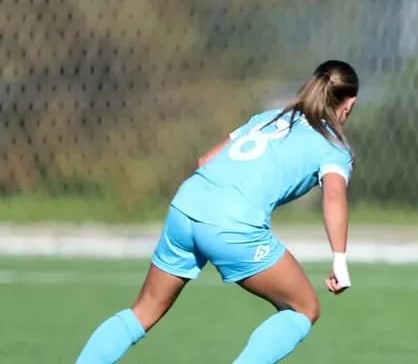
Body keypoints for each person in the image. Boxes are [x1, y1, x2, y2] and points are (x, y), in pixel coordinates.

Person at [75, 60, 360, 364]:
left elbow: (205, 160)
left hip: (187, 206)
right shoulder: (334, 148)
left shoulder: (269, 118)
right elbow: (333, 196)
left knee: (144, 310)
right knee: (304, 308)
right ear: (349, 103)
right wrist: (340, 261)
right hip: (232, 226)